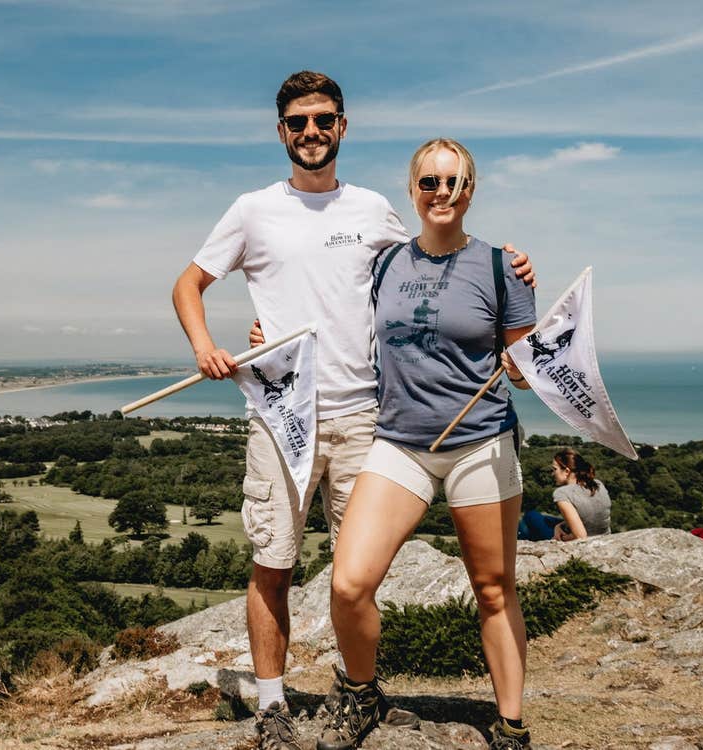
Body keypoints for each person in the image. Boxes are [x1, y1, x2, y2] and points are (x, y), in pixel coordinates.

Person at [171, 72, 535, 750]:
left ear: (343, 127)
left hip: (370, 416)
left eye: (324, 120)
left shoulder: (374, 212)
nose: (312, 132)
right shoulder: (252, 210)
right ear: (282, 131)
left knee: (353, 577)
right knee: (272, 562)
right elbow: (189, 283)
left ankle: (356, 690)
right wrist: (208, 348)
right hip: (284, 415)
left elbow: (433, 265)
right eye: (299, 122)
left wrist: (511, 268)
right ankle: (274, 705)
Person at [314, 137, 537, 750]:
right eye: (430, 182)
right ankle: (361, 693)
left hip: (479, 443)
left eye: (455, 182)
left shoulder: (501, 267)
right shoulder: (386, 263)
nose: (442, 193)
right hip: (401, 443)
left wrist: (524, 364)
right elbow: (330, 313)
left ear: (471, 190)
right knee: (349, 582)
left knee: (493, 589)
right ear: (411, 190)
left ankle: (511, 725)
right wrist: (265, 330)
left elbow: (524, 365)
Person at [520, 448, 611, 542]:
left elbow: (581, 536)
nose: (552, 473)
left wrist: (558, 537)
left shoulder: (562, 493)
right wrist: (558, 526)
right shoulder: (597, 484)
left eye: (555, 469)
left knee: (530, 516)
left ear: (567, 471)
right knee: (547, 519)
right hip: (603, 536)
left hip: (584, 541)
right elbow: (588, 517)